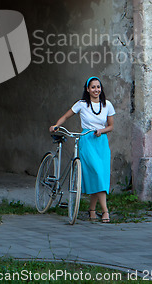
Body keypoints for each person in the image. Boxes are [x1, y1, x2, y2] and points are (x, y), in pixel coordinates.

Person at [49, 76, 115, 223]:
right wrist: (56, 126)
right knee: (97, 174)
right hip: (87, 141)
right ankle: (105, 211)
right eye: (93, 87)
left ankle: (92, 210)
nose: (96, 90)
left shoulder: (107, 105)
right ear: (87, 89)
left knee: (99, 176)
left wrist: (101, 130)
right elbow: (66, 116)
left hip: (101, 143)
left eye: (98, 87)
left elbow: (111, 126)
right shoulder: (82, 104)